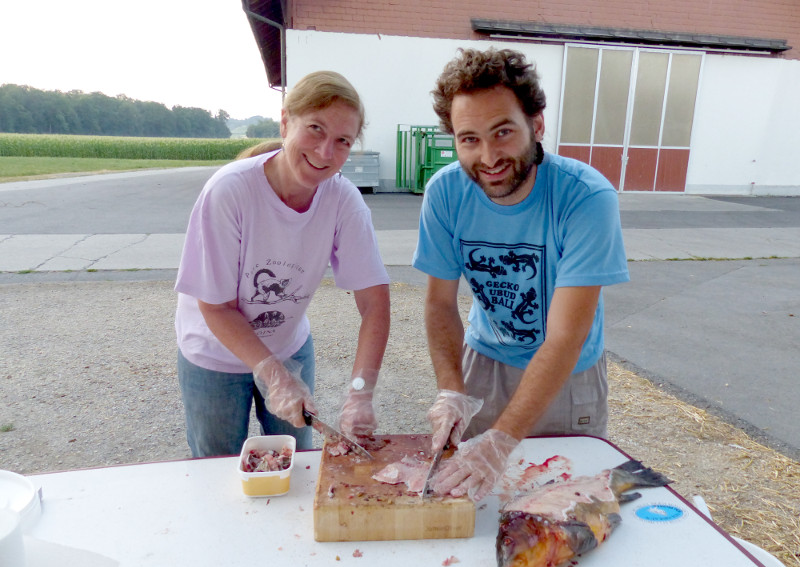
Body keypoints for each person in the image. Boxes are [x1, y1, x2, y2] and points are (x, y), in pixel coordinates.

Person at [412, 48, 629, 501]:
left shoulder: (586, 198)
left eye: (503, 132)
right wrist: (452, 390)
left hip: (566, 378)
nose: (488, 156)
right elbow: (438, 304)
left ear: (537, 123)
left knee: (561, 506)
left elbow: (566, 337)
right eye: (468, 138)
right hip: (483, 365)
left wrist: (502, 437)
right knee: (470, 501)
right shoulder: (445, 193)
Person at [175, 71, 391, 457]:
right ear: (286, 121)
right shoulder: (230, 191)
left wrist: (360, 393)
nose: (326, 152)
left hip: (288, 343)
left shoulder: (343, 201)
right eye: (315, 129)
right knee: (219, 464)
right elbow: (216, 307)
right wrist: (273, 375)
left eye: (342, 141)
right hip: (214, 352)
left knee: (298, 460)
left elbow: (374, 303)